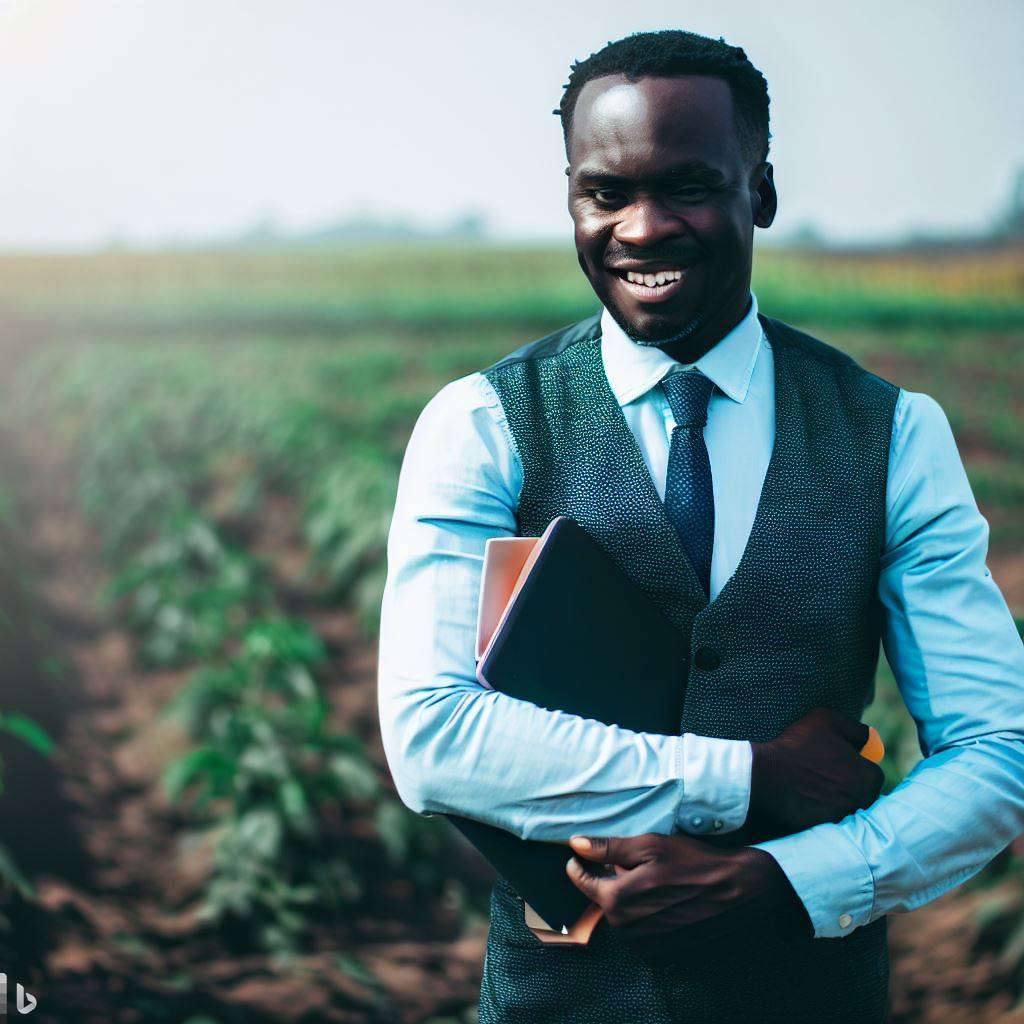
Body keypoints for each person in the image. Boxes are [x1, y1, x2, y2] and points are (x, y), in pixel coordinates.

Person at [376, 28, 1024, 1024]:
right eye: (604, 193)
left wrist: (783, 878)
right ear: (570, 197)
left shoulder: (891, 435)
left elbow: (996, 752)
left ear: (758, 189)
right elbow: (432, 736)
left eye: (686, 186)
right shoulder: (481, 425)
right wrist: (745, 779)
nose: (641, 228)